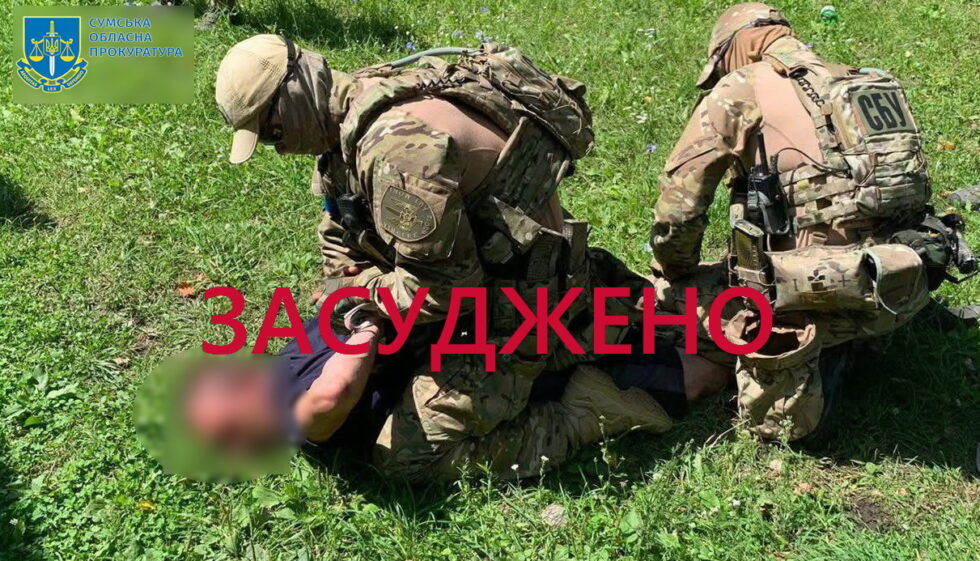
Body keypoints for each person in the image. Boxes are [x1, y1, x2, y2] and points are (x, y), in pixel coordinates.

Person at [212, 35, 730, 480]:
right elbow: (338, 233)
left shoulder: (396, 152)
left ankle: (587, 409)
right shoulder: (357, 109)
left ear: (296, 93)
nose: (280, 149)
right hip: (517, 277)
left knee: (404, 456)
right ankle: (632, 313)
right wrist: (354, 286)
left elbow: (442, 293)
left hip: (518, 315)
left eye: (273, 132)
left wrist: (361, 299)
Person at [648, 3, 971, 442]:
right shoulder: (865, 81)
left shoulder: (741, 87)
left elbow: (679, 210)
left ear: (735, 49)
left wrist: (674, 269)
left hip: (808, 296)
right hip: (901, 283)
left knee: (663, 298)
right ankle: (866, 336)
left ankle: (816, 359)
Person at [175, 306, 730, 482]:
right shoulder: (293, 412)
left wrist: (376, 315)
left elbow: (339, 354)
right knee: (688, 376)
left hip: (477, 346)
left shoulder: (290, 362)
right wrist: (372, 323)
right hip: (473, 372)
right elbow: (332, 395)